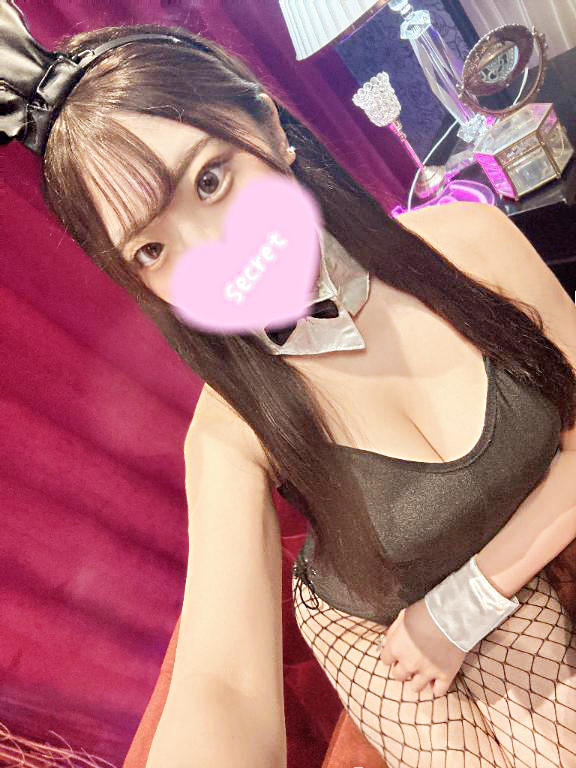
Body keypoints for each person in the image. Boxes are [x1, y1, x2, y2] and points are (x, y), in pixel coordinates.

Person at [2, 2, 576, 767]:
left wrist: (468, 599)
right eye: (151, 249)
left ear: (270, 127)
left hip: (466, 611)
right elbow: (221, 686)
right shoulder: (229, 431)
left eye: (210, 179)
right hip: (371, 634)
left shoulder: (468, 242)